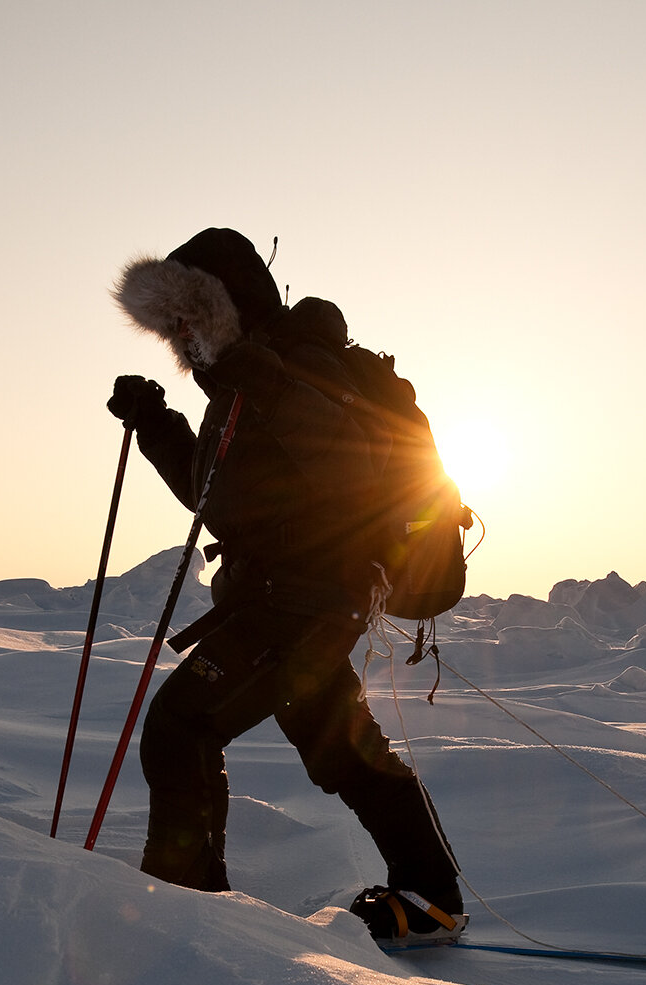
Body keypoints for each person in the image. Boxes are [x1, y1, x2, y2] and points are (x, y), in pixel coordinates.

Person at [104, 227, 464, 944]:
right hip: (289, 600)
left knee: (182, 726)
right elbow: (222, 497)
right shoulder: (248, 380)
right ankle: (432, 899)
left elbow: (348, 471)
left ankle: (186, 917)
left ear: (221, 306)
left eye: (186, 317)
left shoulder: (288, 370)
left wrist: (265, 389)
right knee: (341, 746)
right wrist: (157, 424)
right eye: (170, 326)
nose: (179, 337)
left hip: (303, 601)